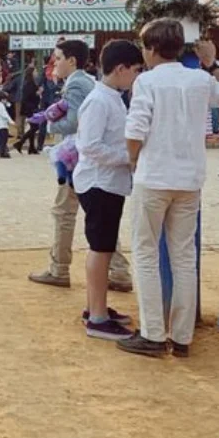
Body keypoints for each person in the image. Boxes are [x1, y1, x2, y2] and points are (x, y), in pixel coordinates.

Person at [117, 21, 219, 358]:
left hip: (154, 177)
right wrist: (212, 63)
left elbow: (135, 130)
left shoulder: (146, 81)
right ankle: (181, 336)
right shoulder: (200, 79)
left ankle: (152, 332)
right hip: (189, 179)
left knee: (146, 253)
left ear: (149, 49)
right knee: (184, 256)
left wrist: (134, 160)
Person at [28, 39, 132, 291]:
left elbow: (75, 123)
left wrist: (51, 124)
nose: (55, 64)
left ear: (72, 60)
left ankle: (60, 268)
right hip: (88, 162)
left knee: (65, 213)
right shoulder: (88, 82)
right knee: (98, 217)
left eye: (58, 58)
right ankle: (117, 271)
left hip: (77, 159)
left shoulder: (76, 84)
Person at [73, 40, 142, 342]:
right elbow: (89, 145)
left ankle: (96, 306)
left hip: (107, 182)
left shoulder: (111, 96)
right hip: (100, 182)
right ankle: (97, 317)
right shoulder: (100, 100)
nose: (138, 77)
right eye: (136, 71)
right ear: (120, 69)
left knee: (103, 247)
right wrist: (127, 158)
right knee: (100, 249)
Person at [12, 64, 41, 154]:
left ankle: (31, 147)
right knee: (35, 127)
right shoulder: (29, 84)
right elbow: (28, 96)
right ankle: (20, 142)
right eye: (35, 71)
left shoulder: (30, 82)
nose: (36, 73)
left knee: (33, 126)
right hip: (30, 108)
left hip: (30, 107)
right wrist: (37, 94)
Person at [0, 90, 13, 157]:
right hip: (3, 125)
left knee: (0, 139)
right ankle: (2, 152)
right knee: (4, 139)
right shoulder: (1, 106)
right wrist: (11, 121)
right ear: (2, 99)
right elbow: (5, 115)